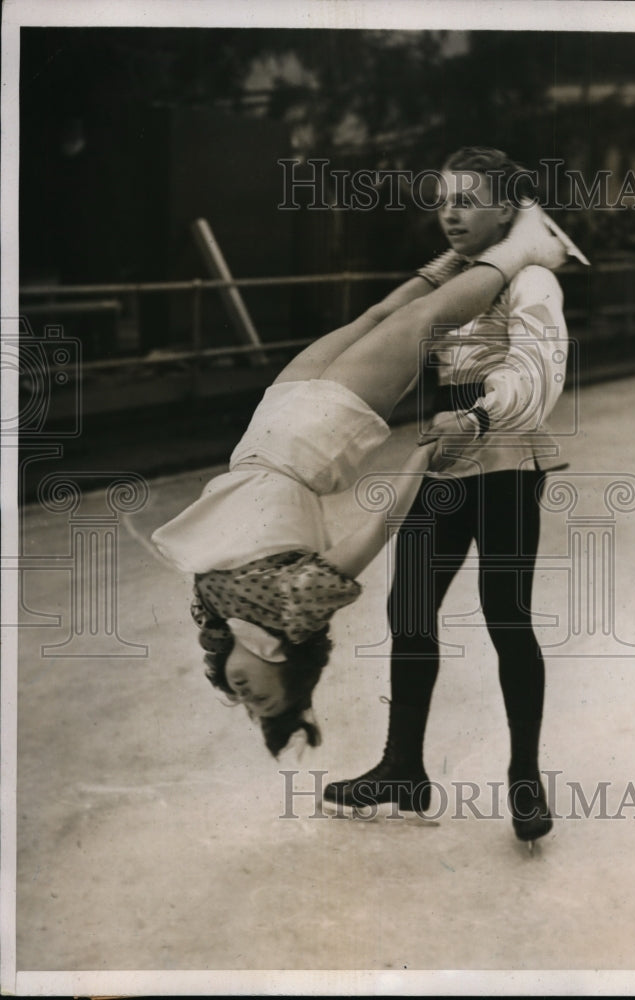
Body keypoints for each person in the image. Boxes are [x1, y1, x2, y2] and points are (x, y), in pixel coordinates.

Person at [152, 194, 570, 758]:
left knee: (372, 318)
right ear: (296, 679)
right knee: (425, 320)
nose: (247, 698)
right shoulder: (298, 611)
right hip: (316, 441)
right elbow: (377, 527)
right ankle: (527, 244)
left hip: (267, 429)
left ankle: (452, 262)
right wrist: (423, 458)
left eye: (247, 706)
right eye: (269, 704)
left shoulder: (216, 616)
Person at [323, 147, 574, 847]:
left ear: (507, 209)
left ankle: (525, 778)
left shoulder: (529, 281)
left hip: (502, 458)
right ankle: (403, 767)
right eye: (443, 200)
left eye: (468, 199)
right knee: (409, 608)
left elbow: (538, 367)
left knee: (506, 618)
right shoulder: (457, 278)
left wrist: (478, 415)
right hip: (441, 460)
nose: (451, 212)